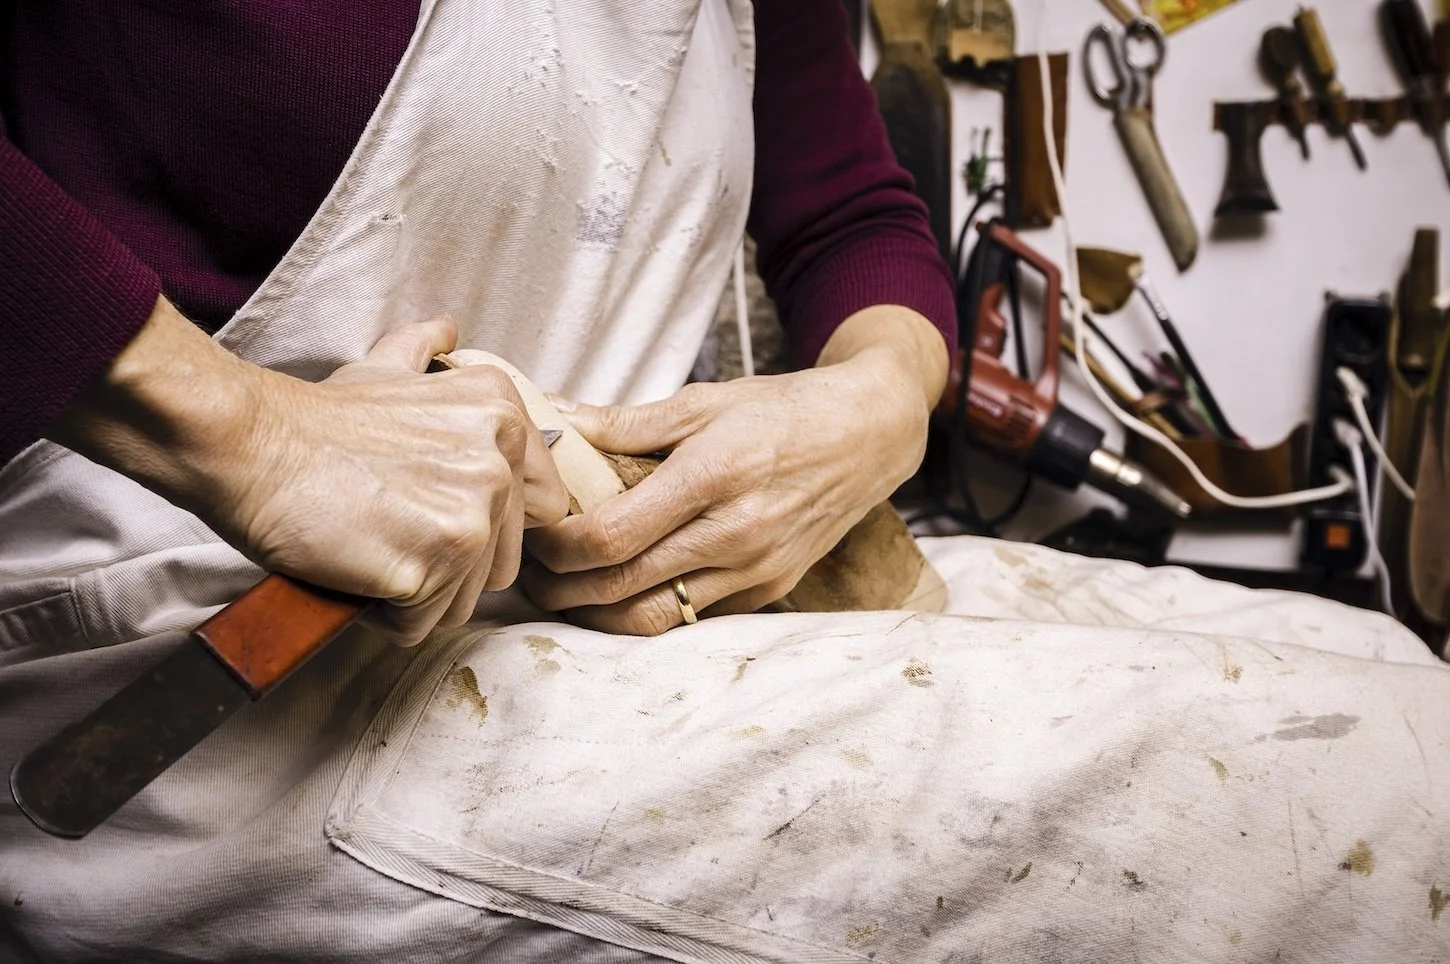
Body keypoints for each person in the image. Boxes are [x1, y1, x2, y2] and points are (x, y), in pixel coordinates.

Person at [0, 0, 955, 958]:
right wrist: (259, 438)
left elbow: (850, 216)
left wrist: (886, 396)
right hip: (179, 662)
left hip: (603, 622)